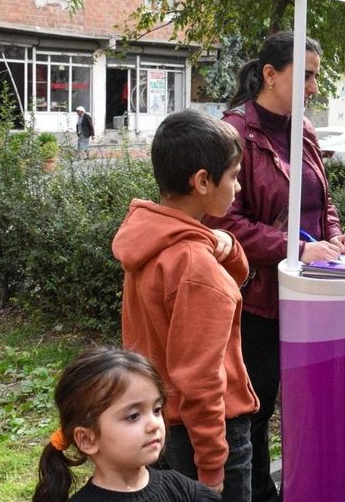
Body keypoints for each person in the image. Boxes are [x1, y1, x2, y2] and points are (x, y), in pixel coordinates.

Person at [203, 31, 345, 502]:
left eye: (315, 75)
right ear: (270, 74)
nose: (313, 87)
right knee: (257, 405)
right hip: (261, 298)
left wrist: (334, 236)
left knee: (313, 399)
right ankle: (258, 494)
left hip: (312, 290)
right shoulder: (234, 133)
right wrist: (296, 248)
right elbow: (224, 223)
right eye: (305, 76)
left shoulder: (303, 128)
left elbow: (320, 200)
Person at [112, 109, 259, 500]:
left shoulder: (153, 239)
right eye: (234, 176)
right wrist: (211, 466)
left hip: (159, 420)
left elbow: (234, 279)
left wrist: (226, 249)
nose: (239, 187)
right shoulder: (194, 264)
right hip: (206, 435)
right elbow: (201, 379)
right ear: (202, 181)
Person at [32, 346, 221, 502]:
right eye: (133, 416)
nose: (154, 424)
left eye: (156, 410)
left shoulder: (180, 488)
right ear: (87, 439)